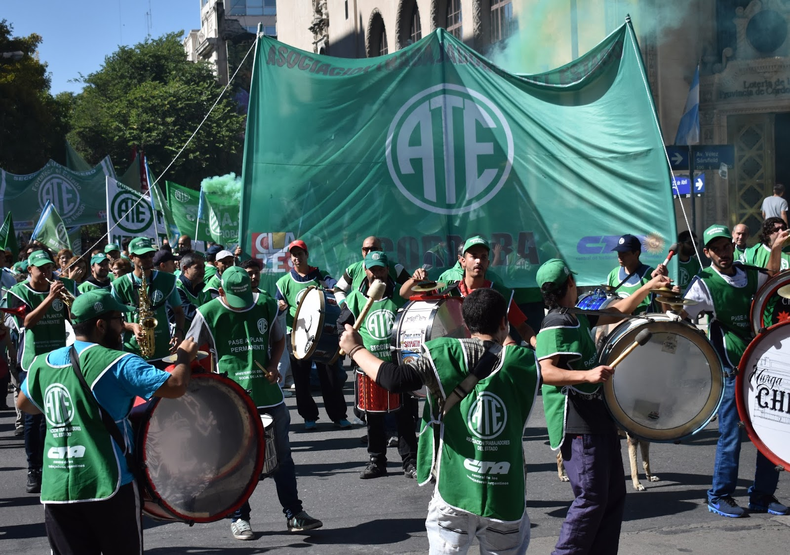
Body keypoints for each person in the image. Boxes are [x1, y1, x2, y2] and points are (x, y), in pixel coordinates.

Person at [340, 288, 558, 555]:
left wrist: (355, 349)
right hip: (506, 499)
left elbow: (395, 379)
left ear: (465, 325)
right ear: (504, 322)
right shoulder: (523, 362)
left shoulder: (444, 354)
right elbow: (514, 349)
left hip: (454, 493)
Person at [16, 289, 199, 555]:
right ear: (101, 325)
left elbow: (24, 404)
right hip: (108, 482)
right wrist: (184, 358)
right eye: (119, 319)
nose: (123, 326)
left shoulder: (42, 364)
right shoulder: (116, 361)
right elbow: (175, 386)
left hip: (57, 487)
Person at [535, 258, 669, 555]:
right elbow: (545, 371)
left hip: (598, 418)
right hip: (578, 422)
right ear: (570, 283)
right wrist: (586, 374)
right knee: (592, 498)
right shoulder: (557, 321)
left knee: (613, 497)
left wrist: (648, 285)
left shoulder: (575, 314)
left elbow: (618, 310)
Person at [186, 267, 323, 539]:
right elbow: (189, 347)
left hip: (268, 397)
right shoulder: (208, 312)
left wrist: (274, 366)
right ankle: (239, 518)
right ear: (220, 291)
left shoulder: (267, 304)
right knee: (235, 461)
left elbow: (279, 338)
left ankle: (294, 514)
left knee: (282, 459)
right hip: (230, 399)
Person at [683, 224, 789, 517]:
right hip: (732, 370)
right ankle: (719, 495)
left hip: (763, 366)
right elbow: (680, 318)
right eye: (715, 249)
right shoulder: (703, 283)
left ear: (733, 246)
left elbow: (775, 282)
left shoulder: (749, 273)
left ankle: (763, 496)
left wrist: (777, 248)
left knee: (768, 432)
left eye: (726, 246)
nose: (723, 253)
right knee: (730, 436)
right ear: (707, 252)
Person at [336, 251, 417, 479]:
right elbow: (342, 324)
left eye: (381, 269)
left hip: (397, 365)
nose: (377, 273)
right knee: (373, 418)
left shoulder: (400, 295)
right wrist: (347, 335)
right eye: (373, 269)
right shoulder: (355, 298)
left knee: (405, 417)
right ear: (365, 270)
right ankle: (377, 461)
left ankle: (410, 461)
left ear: (387, 270)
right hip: (369, 366)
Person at [5, 250, 71, 494]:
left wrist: (68, 302)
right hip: (32, 362)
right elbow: (27, 322)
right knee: (33, 418)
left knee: (56, 415)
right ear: (30, 269)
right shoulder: (18, 292)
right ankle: (34, 467)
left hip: (59, 359)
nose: (45, 273)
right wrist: (49, 298)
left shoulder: (60, 288)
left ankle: (53, 463)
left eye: (49, 268)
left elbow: (74, 319)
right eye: (40, 268)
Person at [401, 236, 537, 347]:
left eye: (483, 257)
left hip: (490, 363)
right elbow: (405, 294)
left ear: (488, 263)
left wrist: (539, 347)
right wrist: (415, 280)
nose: (479, 261)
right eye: (474, 256)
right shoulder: (448, 288)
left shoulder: (499, 292)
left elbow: (523, 328)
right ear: (462, 261)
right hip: (457, 360)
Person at [276, 239, 350, 430]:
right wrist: (280, 306)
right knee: (301, 380)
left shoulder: (320, 275)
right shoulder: (283, 282)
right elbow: (277, 305)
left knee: (331, 378)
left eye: (300, 254)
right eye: (293, 254)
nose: (296, 257)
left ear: (306, 255)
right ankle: (309, 417)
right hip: (298, 336)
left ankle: (339, 415)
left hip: (324, 334)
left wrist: (334, 288)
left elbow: (335, 286)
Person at [111, 237, 186, 365]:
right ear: (131, 257)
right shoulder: (119, 285)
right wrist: (132, 326)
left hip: (163, 348)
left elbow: (178, 311)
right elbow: (112, 319)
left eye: (151, 255)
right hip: (133, 350)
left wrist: (179, 332)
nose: (148, 259)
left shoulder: (167, 280)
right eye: (143, 256)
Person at [333, 236, 409, 305]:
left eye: (373, 249)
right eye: (366, 249)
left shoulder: (395, 268)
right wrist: (345, 307)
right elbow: (338, 289)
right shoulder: (353, 269)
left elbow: (412, 289)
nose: (369, 252)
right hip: (363, 316)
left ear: (381, 250)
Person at [606, 233, 655, 314]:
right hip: (619, 325)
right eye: (619, 252)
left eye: (624, 253)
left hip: (644, 324)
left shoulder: (650, 275)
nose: (620, 256)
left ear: (636, 253)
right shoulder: (613, 274)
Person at [176, 252, 210, 331]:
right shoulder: (177, 288)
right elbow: (189, 313)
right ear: (185, 269)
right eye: (198, 268)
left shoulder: (202, 288)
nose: (203, 271)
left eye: (203, 268)